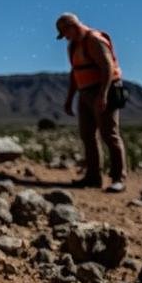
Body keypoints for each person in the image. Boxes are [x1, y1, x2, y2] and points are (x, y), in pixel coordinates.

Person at [56, 12, 127, 192]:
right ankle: (93, 177)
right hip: (85, 92)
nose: (66, 38)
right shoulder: (73, 46)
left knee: (109, 134)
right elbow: (75, 73)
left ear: (72, 26)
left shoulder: (94, 40)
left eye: (66, 34)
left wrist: (103, 94)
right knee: (87, 135)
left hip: (103, 90)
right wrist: (70, 98)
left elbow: (107, 66)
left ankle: (119, 178)